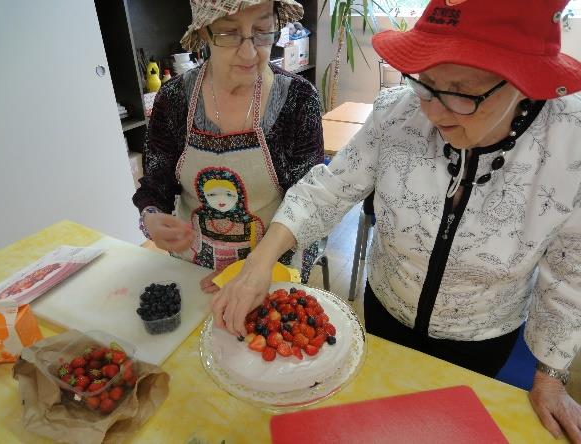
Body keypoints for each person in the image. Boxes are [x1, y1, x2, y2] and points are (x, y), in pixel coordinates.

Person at [211, 0, 581, 441]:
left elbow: (569, 274)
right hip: (385, 311)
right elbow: (329, 190)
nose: (432, 111)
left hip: (481, 337)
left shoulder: (569, 147)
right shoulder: (397, 113)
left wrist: (550, 377)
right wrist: (258, 265)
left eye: (460, 92)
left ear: (527, 82)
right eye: (425, 83)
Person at [132, 0, 324, 292]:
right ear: (205, 32)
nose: (249, 52)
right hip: (192, 269)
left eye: (262, 30)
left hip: (271, 271)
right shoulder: (173, 100)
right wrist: (152, 218)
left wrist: (258, 268)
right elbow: (155, 187)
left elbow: (307, 203)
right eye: (228, 33)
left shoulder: (297, 99)